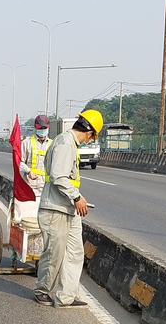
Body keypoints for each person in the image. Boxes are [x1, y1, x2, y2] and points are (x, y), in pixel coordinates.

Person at [33, 109, 104, 308]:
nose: (90, 141)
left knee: (74, 253)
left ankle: (66, 297)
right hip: (55, 209)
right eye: (93, 137)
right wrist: (76, 197)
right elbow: (58, 176)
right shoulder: (65, 143)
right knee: (54, 254)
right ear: (90, 133)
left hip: (68, 209)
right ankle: (42, 290)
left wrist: (76, 199)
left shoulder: (70, 144)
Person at [19, 115, 53, 198]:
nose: (42, 130)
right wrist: (28, 171)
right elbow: (19, 162)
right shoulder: (26, 143)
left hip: (47, 187)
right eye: (40, 128)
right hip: (30, 186)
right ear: (35, 127)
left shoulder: (53, 144)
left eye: (44, 128)